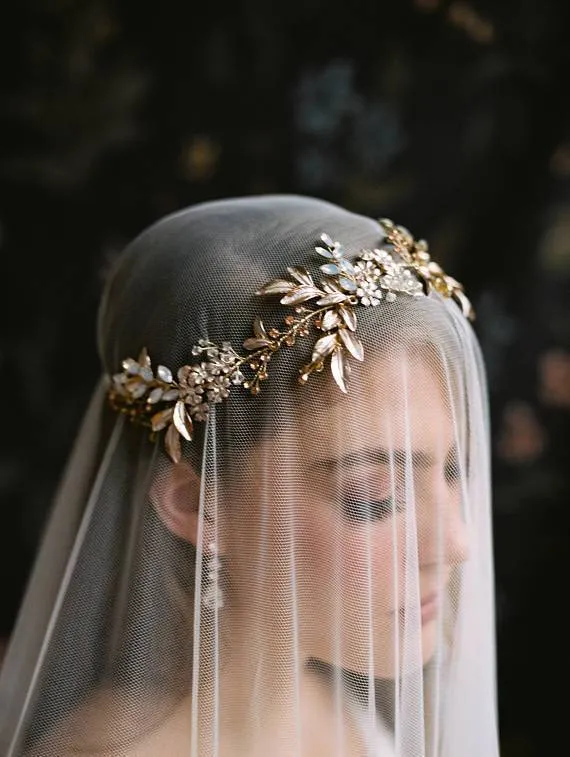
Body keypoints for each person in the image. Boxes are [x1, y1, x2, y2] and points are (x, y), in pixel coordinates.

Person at [0, 196, 500, 756]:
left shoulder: (340, 709)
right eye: (372, 499)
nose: (457, 543)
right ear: (196, 504)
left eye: (454, 471)